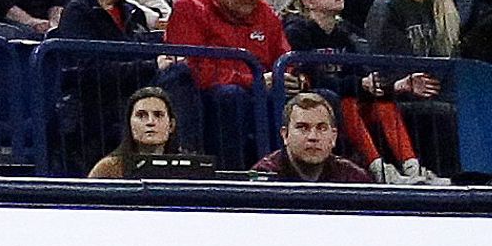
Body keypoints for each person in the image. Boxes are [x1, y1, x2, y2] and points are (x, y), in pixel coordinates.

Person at [88, 84, 216, 180]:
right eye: (141, 115)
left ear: (171, 125)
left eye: (158, 115)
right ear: (129, 124)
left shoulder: (191, 168)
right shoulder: (107, 169)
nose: (150, 122)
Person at [247, 88, 373, 184]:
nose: (313, 137)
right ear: (285, 135)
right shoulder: (264, 176)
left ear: (333, 137)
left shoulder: (353, 179)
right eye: (303, 128)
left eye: (321, 128)